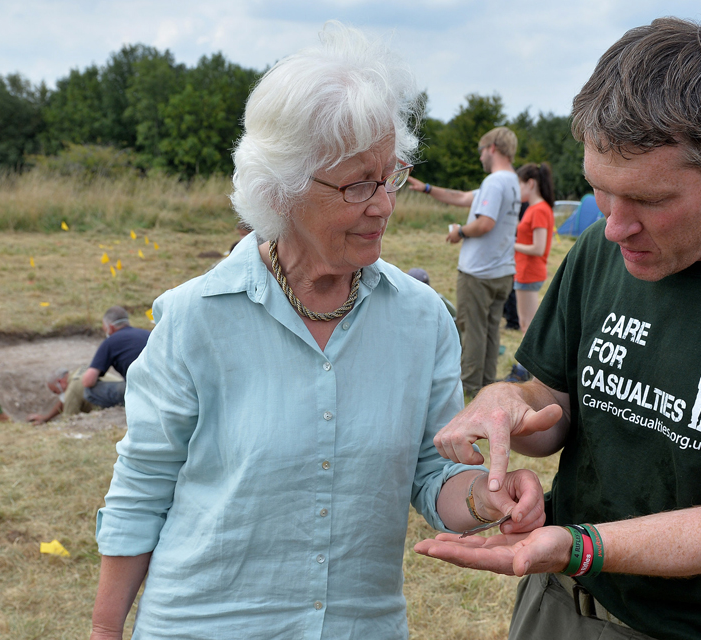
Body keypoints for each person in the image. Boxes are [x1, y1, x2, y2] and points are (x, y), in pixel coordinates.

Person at [415, 17, 701, 640]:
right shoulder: (604, 251)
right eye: (601, 191)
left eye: (651, 200)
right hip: (553, 606)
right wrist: (506, 404)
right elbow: (550, 405)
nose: (613, 227)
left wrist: (579, 547)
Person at [90, 23, 544, 640]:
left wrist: (489, 498)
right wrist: (103, 632)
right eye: (359, 184)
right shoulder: (197, 316)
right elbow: (142, 487)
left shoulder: (421, 319)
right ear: (284, 187)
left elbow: (430, 474)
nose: (384, 204)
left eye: (392, 176)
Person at [408, 126, 521, 397]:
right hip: (502, 270)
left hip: (479, 272)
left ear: (492, 148)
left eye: (481, 151)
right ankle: (486, 382)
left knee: (471, 329)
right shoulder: (511, 181)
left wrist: (459, 232)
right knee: (491, 330)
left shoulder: (494, 182)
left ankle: (469, 387)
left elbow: (484, 223)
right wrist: (426, 188)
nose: (481, 157)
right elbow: (461, 198)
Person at [505, 163, 555, 382]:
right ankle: (526, 369)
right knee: (527, 323)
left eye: (520, 185)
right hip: (524, 271)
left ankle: (526, 371)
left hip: (529, 272)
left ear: (531, 183)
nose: (518, 190)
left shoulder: (539, 210)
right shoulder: (537, 209)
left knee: (528, 325)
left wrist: (511, 244)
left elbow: (539, 247)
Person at [81, 306, 150, 409]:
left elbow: (88, 381)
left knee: (89, 391)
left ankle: (125, 408)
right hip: (166, 386)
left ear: (111, 327)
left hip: (141, 391)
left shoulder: (110, 342)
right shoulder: (148, 334)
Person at [28, 366, 95, 425]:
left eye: (55, 391)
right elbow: (63, 400)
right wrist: (46, 418)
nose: (58, 394)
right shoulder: (81, 369)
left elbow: (69, 422)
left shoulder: (71, 392)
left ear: (60, 382)